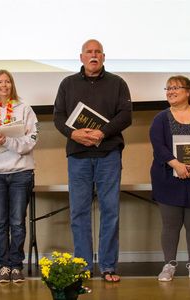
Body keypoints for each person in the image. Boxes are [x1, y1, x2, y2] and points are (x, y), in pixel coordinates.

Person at [53, 39, 132, 282]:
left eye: (98, 52)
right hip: (78, 156)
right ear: (81, 57)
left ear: (104, 57)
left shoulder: (118, 83)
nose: (94, 55)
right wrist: (72, 133)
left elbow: (126, 115)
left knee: (110, 212)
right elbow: (58, 116)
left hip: (108, 154)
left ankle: (108, 267)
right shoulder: (67, 84)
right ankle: (82, 266)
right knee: (79, 212)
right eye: (89, 52)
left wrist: (103, 132)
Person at [149, 75, 190, 282]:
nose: (170, 91)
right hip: (168, 179)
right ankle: (169, 265)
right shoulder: (160, 118)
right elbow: (158, 146)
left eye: (176, 87)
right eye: (168, 88)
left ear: (188, 91)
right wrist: (177, 165)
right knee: (170, 225)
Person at [0, 70, 39, 284]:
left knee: (17, 222)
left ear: (12, 86)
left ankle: (16, 265)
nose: (4, 85)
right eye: (0, 82)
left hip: (21, 172)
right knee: (0, 223)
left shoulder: (25, 110)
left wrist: (7, 142)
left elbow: (31, 141)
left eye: (7, 82)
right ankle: (4, 265)